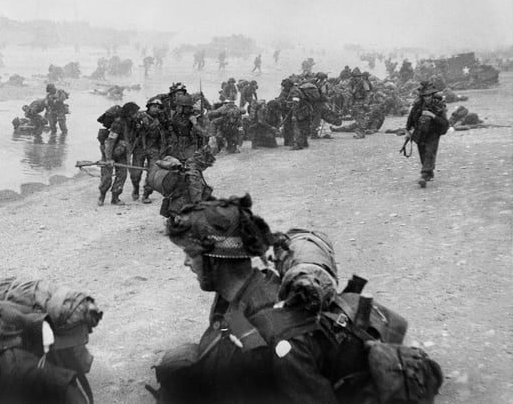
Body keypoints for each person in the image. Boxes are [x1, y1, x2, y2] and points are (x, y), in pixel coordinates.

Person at [150, 195, 443, 404]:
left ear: (216, 261)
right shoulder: (241, 294)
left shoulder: (282, 337)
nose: (186, 264)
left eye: (190, 255)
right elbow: (239, 336)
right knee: (179, 365)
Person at [405, 81, 448, 188]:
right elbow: (411, 119)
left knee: (430, 152)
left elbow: (445, 123)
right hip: (420, 132)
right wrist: (408, 131)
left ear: (432, 95)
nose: (427, 98)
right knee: (423, 152)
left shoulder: (438, 105)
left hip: (433, 132)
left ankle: (424, 175)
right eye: (425, 96)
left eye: (429, 95)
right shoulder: (418, 105)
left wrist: (432, 115)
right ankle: (429, 173)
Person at [98, 102, 140, 205]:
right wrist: (108, 159)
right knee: (107, 177)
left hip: (121, 152)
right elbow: (110, 141)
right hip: (109, 151)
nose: (137, 115)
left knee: (122, 175)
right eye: (135, 113)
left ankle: (115, 198)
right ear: (130, 113)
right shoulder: (118, 123)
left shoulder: (134, 123)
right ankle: (102, 195)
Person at [130, 98, 167, 203]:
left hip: (154, 148)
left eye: (158, 107)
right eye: (154, 106)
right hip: (140, 148)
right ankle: (136, 188)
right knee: (135, 174)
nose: (156, 109)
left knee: (152, 174)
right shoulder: (140, 117)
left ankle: (146, 194)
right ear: (149, 106)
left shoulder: (161, 118)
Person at [348, 67, 372, 138]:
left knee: (361, 117)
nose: (356, 78)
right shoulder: (354, 83)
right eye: (355, 77)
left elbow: (368, 94)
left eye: (357, 76)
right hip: (356, 101)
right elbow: (351, 92)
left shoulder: (363, 83)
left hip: (362, 101)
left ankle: (361, 133)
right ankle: (360, 132)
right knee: (356, 117)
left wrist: (366, 103)